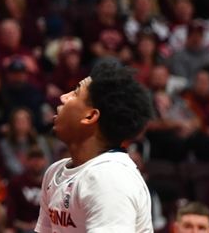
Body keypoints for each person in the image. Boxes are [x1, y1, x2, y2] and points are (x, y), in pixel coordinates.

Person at [34, 59, 153, 232]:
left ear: (90, 117)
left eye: (75, 93)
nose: (63, 97)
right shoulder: (56, 171)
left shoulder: (109, 178)